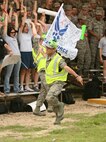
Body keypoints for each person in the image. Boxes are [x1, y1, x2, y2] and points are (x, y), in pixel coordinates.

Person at [44, 40, 83, 125]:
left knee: (50, 97)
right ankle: (59, 117)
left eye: (49, 48)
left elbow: (66, 68)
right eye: (46, 47)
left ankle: (60, 106)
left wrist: (76, 76)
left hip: (58, 82)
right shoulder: (47, 56)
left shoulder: (59, 59)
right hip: (49, 82)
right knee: (51, 101)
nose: (46, 49)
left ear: (54, 49)